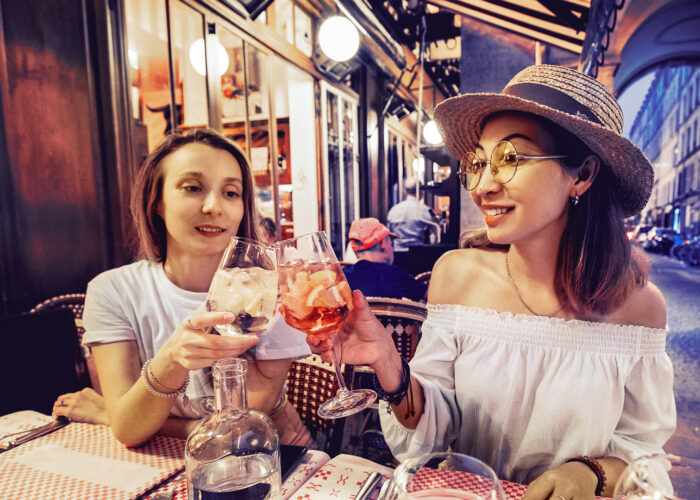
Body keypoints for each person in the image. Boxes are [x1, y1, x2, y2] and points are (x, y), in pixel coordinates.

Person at [309, 65, 675, 499]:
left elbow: (644, 451)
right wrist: (390, 365)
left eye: (510, 159)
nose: (481, 186)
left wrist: (590, 471)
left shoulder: (638, 307)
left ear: (582, 175)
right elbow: (432, 432)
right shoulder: (457, 275)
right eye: (479, 163)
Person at [76, 129, 312, 447]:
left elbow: (239, 431)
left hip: (267, 461)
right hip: (158, 467)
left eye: (231, 193)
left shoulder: (270, 290)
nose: (214, 206)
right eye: (193, 188)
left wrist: (115, 415)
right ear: (156, 201)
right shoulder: (113, 291)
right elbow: (130, 431)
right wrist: (172, 359)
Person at [343, 218, 427, 301]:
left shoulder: (342, 277)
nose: (392, 249)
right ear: (383, 244)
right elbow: (432, 297)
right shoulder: (393, 275)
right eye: (391, 244)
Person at [387, 177, 438, 251]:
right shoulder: (426, 210)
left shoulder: (393, 210)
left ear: (406, 191)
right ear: (420, 191)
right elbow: (434, 235)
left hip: (397, 254)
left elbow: (389, 235)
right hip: (417, 254)